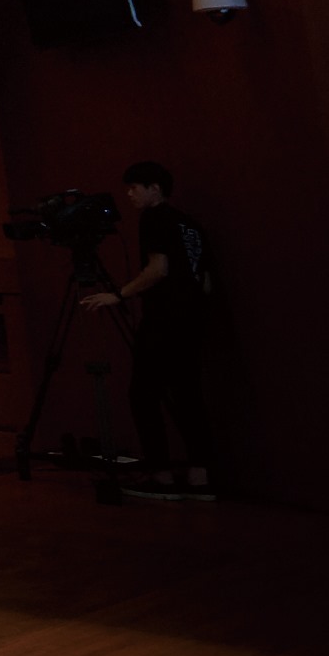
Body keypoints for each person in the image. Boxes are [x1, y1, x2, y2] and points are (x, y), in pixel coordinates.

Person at [85, 161, 214, 501]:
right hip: (191, 320)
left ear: (154, 188)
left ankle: (161, 474)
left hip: (163, 320)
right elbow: (204, 279)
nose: (129, 195)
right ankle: (200, 475)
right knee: (188, 395)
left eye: (134, 188)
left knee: (143, 394)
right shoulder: (189, 224)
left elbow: (158, 269)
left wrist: (119, 294)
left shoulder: (154, 219)